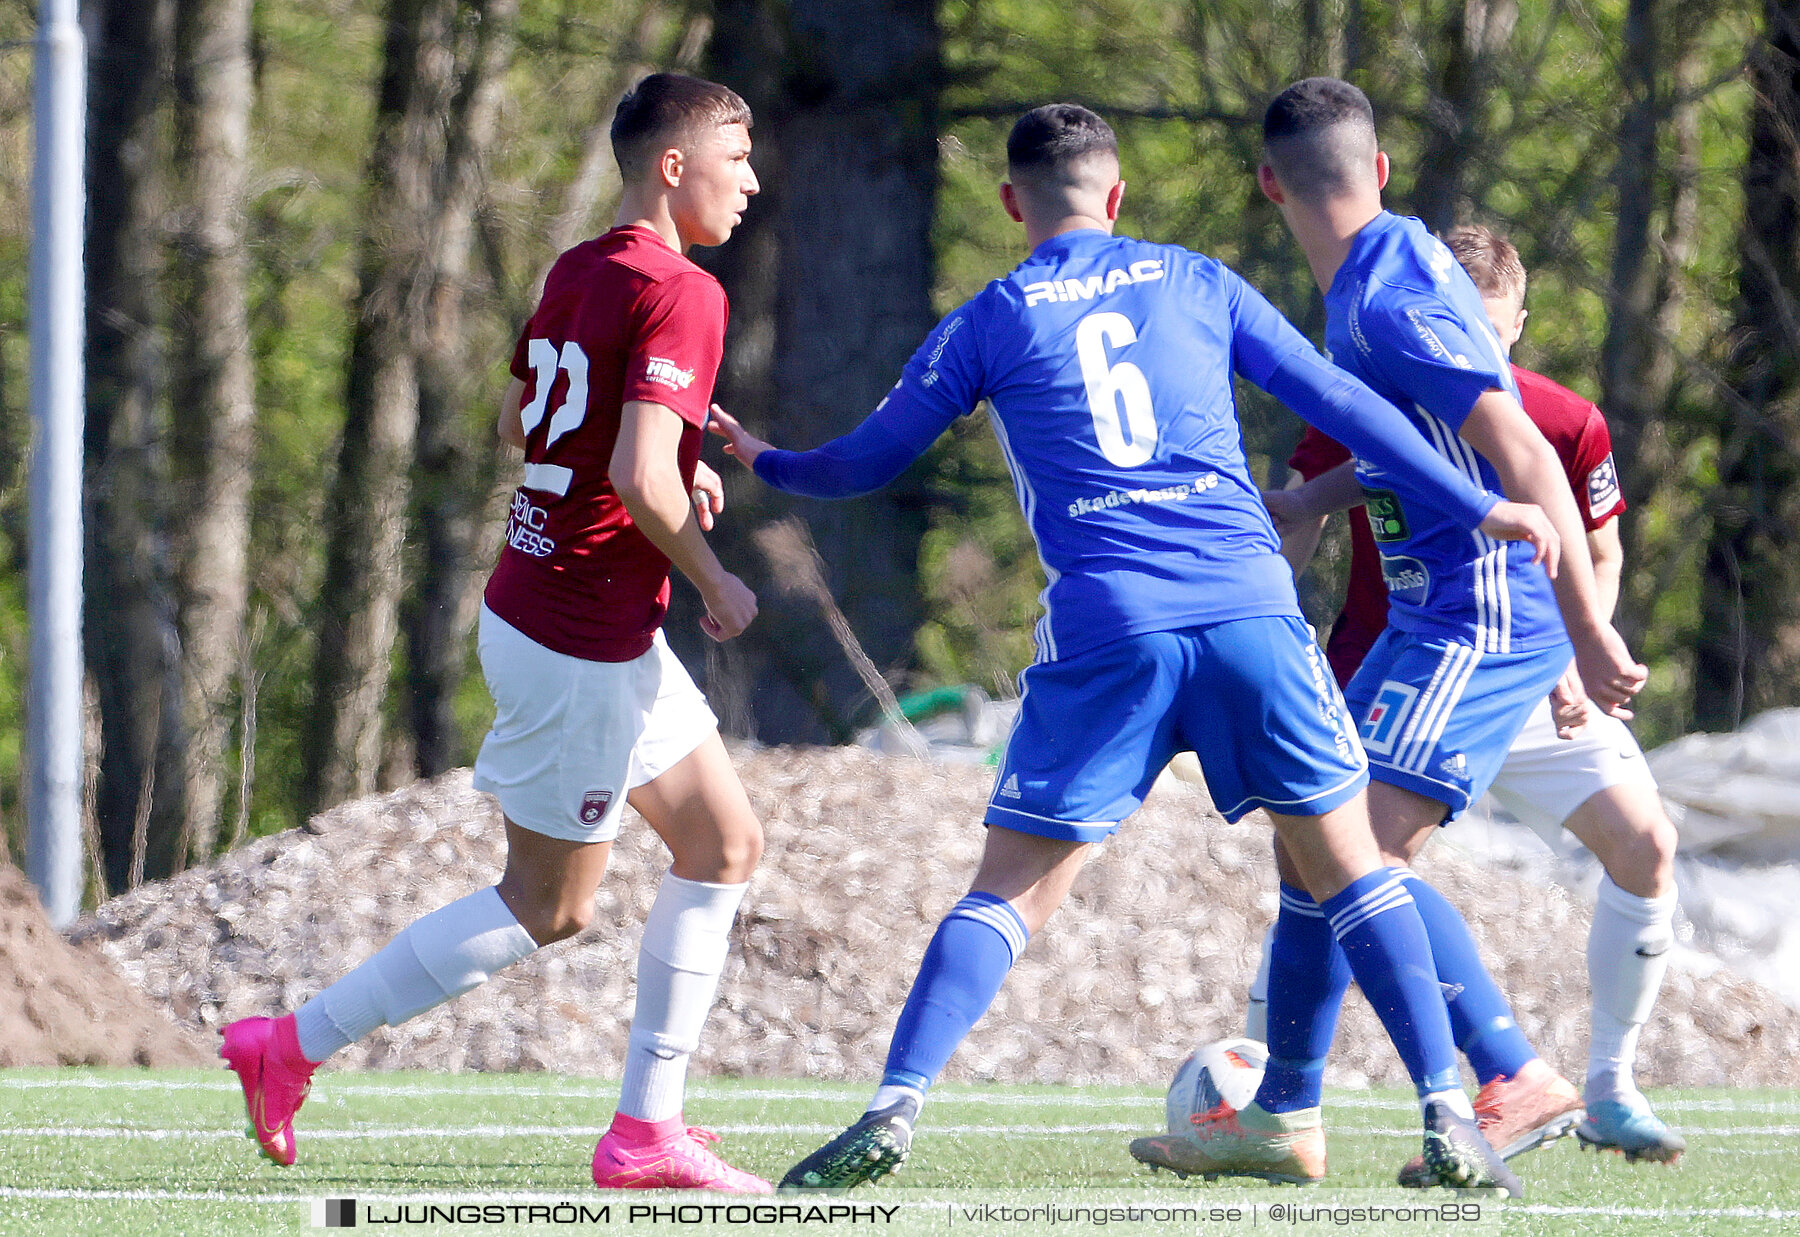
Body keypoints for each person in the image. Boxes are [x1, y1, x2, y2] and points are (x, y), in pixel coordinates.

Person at [710, 103, 1560, 1195]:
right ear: (1115, 195)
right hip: (1253, 612)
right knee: (1354, 871)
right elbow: (1345, 400)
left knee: (1011, 889)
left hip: (1113, 625)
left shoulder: (992, 316)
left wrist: (770, 459)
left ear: (1013, 202)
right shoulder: (1195, 279)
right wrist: (1477, 505)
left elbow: (862, 464)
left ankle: (893, 1106)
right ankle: (1450, 1112)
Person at [219, 73, 772, 1194]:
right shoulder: (686, 290)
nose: (754, 180)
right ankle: (290, 1045)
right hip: (581, 637)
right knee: (548, 907)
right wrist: (712, 574)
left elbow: (544, 425)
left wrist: (670, 478)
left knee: (722, 844)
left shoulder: (580, 266)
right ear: (673, 165)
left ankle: (645, 1128)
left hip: (559, 608)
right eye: (738, 155)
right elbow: (627, 470)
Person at [1231, 76, 1651, 1187]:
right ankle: (1283, 1108)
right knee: (1308, 842)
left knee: (1350, 850)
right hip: (1433, 612)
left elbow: (1520, 458)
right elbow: (1410, 445)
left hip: (1479, 613)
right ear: (1376, 171)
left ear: (1270, 183)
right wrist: (1307, 504)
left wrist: (1587, 635)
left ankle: (1510, 1072)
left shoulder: (1385, 302)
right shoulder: (1381, 270)